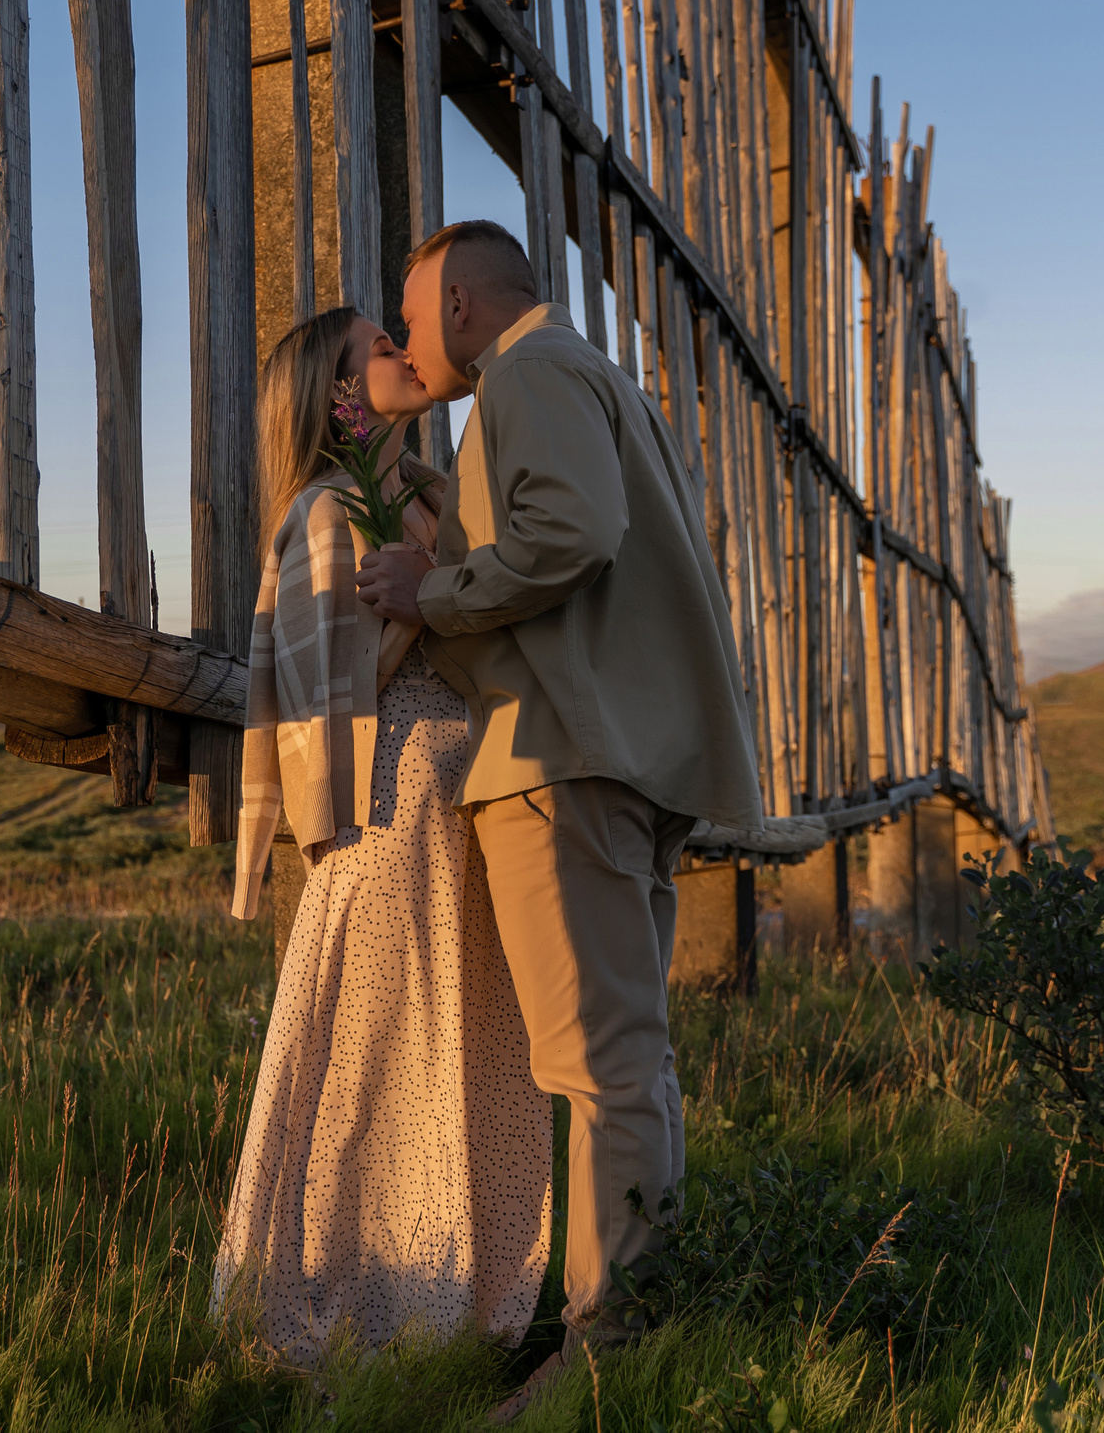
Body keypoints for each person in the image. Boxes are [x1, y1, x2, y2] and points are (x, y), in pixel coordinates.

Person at [355, 221, 764, 1417]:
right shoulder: (590, 374)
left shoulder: (526, 374)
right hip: (619, 753)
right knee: (632, 1065)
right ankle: (635, 1323)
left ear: (463, 305)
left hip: (559, 757)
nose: (407, 342)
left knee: (600, 1070)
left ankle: (604, 1353)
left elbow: (571, 535)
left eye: (412, 316)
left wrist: (431, 591)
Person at [214, 306, 552, 1366]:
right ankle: (358, 1309)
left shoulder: (435, 499)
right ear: (338, 392)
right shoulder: (325, 512)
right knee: (378, 1064)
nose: (406, 350)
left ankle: (472, 1299)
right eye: (380, 345)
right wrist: (431, 604)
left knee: (476, 1049)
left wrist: (438, 584)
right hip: (392, 812)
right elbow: (321, 687)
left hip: (469, 808)